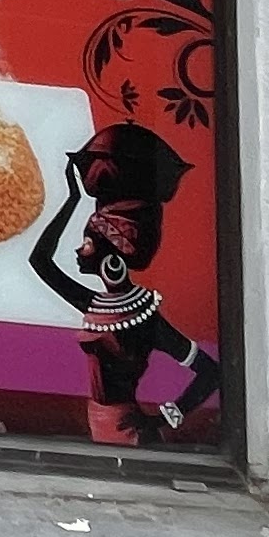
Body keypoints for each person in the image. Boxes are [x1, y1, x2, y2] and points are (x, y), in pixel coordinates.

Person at [29, 121, 220, 445]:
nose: (79, 250)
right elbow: (40, 261)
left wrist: (165, 417)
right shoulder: (97, 304)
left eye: (87, 242)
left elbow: (211, 372)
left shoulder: (144, 319)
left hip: (131, 435)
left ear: (113, 258)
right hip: (98, 425)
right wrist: (72, 199)